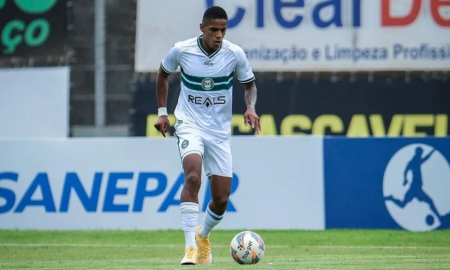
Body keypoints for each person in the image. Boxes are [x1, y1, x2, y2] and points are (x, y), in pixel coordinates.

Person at [153, 6, 261, 265]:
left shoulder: (234, 54)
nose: (219, 35)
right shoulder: (183, 50)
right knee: (192, 177)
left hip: (219, 132)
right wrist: (162, 112)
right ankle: (190, 247)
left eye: (223, 30)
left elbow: (250, 86)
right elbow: (163, 74)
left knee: (222, 198)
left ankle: (203, 236)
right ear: (202, 28)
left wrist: (250, 107)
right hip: (190, 124)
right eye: (214, 29)